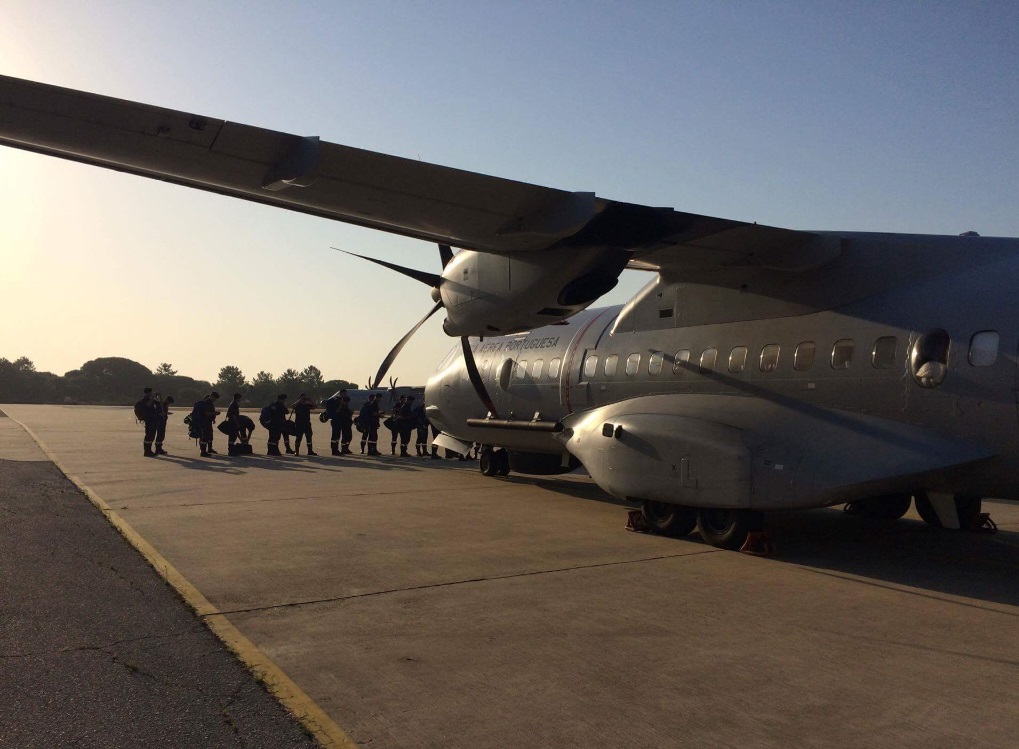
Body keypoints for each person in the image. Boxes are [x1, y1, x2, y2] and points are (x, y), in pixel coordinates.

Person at [193, 392, 221, 457]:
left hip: (208, 422)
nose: (215, 400)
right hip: (205, 422)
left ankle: (209, 449)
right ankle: (203, 452)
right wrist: (215, 413)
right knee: (205, 437)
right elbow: (206, 413)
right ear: (212, 396)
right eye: (215, 398)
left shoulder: (209, 402)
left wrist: (213, 418)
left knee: (209, 436)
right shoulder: (207, 403)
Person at [136, 387, 161, 457]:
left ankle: (149, 450)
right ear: (146, 393)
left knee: (152, 435)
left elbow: (159, 403)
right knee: (149, 435)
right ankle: (147, 451)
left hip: (153, 420)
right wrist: (152, 397)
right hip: (149, 420)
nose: (151, 394)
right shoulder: (143, 400)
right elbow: (148, 405)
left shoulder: (150, 399)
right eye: (150, 393)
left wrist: (157, 397)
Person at [326, 389, 353, 455]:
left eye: (345, 394)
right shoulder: (336, 401)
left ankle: (343, 449)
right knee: (335, 436)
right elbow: (337, 411)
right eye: (344, 394)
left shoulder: (343, 401)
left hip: (342, 421)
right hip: (336, 420)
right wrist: (341, 404)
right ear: (341, 393)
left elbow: (345, 411)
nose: (345, 395)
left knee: (343, 436)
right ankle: (334, 450)